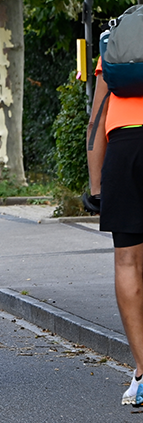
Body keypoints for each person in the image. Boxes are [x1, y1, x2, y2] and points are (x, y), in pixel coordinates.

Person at [85, 52, 143, 405]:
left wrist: (96, 187)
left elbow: (98, 118)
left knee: (128, 263)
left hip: (125, 149)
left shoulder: (118, 41)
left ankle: (142, 373)